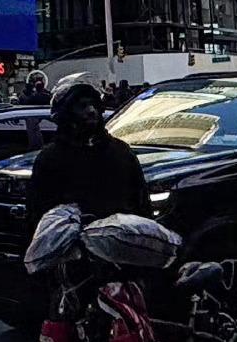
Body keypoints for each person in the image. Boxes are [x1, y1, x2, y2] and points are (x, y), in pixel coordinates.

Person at [26, 82, 148, 231]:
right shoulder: (51, 158)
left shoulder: (121, 151)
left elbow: (141, 202)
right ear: (68, 115)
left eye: (94, 105)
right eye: (82, 106)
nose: (91, 111)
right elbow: (38, 211)